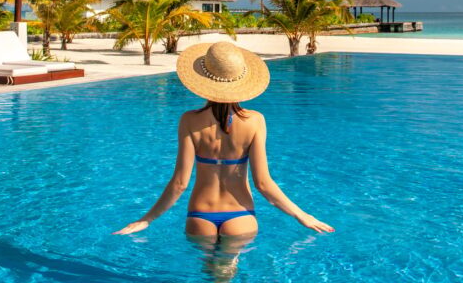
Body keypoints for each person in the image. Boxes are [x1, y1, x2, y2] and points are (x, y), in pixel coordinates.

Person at [113, 41, 334, 239]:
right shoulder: (255, 121)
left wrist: (146, 219)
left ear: (202, 79)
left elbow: (180, 184)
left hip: (200, 216)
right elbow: (263, 184)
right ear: (241, 81)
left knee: (209, 279)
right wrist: (302, 215)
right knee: (225, 278)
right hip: (240, 216)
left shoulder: (189, 120)